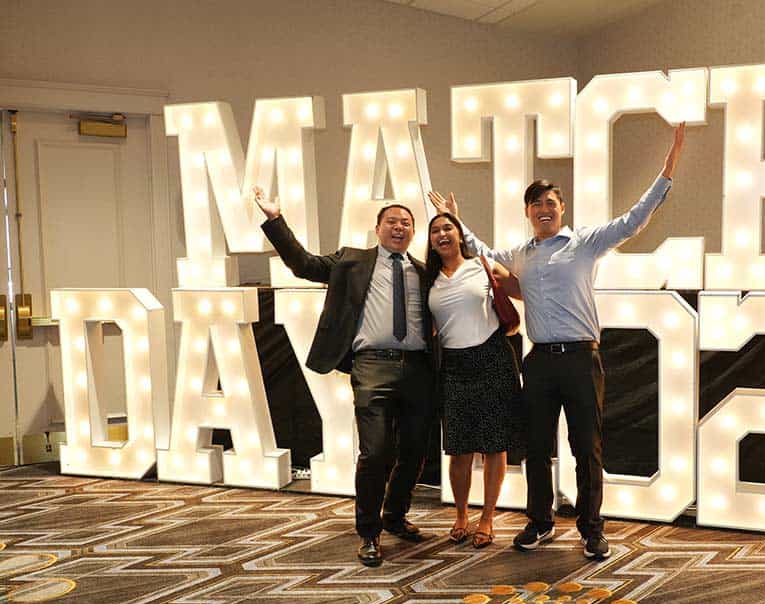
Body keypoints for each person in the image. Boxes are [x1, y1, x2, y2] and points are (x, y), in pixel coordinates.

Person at [431, 123, 686, 560]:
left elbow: (633, 220)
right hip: (539, 362)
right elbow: (482, 253)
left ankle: (591, 528)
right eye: (536, 204)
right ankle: (539, 522)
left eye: (550, 202)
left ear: (562, 209)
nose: (543, 209)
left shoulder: (585, 242)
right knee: (535, 447)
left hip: (582, 360)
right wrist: (455, 220)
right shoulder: (521, 253)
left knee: (586, 448)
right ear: (527, 212)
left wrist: (669, 166)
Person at [254, 187, 434, 568]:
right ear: (377, 229)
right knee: (375, 452)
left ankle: (395, 516)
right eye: (391, 221)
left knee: (416, 450)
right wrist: (275, 220)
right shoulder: (352, 260)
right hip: (372, 365)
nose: (399, 227)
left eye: (406, 223)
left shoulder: (423, 272)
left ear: (414, 232)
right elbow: (303, 264)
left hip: (419, 368)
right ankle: (369, 532)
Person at [424, 211, 522, 549]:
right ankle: (462, 515)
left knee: (494, 444)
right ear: (430, 241)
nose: (442, 234)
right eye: (435, 231)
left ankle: (487, 518)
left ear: (460, 233)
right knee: (459, 448)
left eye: (448, 227)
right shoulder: (428, 279)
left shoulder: (483, 264)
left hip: (492, 357)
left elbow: (522, 289)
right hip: (453, 365)